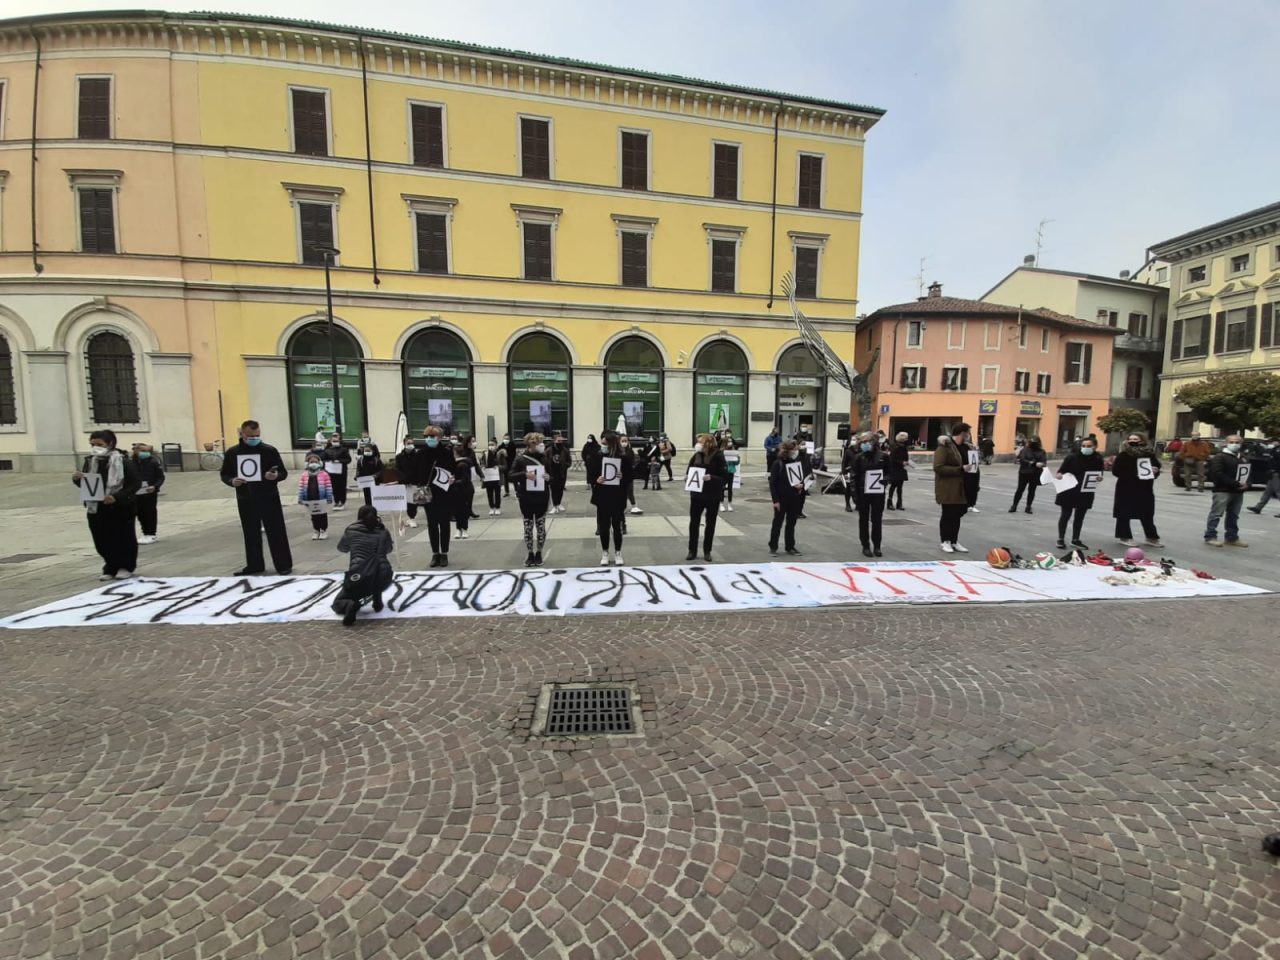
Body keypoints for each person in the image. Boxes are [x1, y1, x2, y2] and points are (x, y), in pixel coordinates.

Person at [220, 419, 292, 576]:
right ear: (243, 434)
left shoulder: (269, 450)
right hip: (246, 497)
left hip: (269, 496)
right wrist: (232, 481)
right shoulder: (233, 453)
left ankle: (283, 564)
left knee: (276, 531)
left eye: (257, 435)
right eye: (251, 435)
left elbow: (283, 472)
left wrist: (275, 476)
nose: (254, 438)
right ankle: (254, 565)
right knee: (250, 533)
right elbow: (225, 474)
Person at [72, 429, 141, 580]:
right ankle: (110, 566)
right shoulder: (91, 461)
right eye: (92, 444)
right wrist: (78, 479)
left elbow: (135, 483)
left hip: (120, 507)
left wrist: (116, 497)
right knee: (101, 538)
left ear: (110, 444)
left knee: (123, 537)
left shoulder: (122, 461)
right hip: (96, 506)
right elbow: (88, 483)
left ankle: (125, 566)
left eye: (99, 444)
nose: (95, 447)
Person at [334, 505, 395, 627]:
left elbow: (342, 548)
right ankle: (377, 598)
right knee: (376, 569)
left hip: (360, 576)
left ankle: (350, 604)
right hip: (384, 575)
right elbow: (389, 549)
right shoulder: (383, 531)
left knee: (339, 602)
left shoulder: (351, 530)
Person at [1111, 432, 1163, 548]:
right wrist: (1133, 473)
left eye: (1136, 439)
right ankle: (1124, 536)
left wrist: (1155, 471)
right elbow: (1116, 471)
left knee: (1147, 513)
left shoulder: (1149, 455)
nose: (1133, 441)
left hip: (1145, 487)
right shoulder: (1124, 455)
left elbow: (1157, 467)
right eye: (1131, 439)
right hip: (1126, 487)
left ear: (1143, 441)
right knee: (1124, 513)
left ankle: (1151, 537)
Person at [414, 425, 456, 567]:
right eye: (427, 436)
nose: (429, 439)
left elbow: (454, 470)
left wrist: (453, 478)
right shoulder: (420, 454)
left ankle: (444, 553)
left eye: (432, 436)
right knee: (432, 524)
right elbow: (414, 473)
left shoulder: (446, 453)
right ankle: (435, 553)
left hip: (443, 492)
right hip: (428, 493)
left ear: (439, 437)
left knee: (444, 523)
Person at [588, 430, 632, 565]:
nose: (603, 446)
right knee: (604, 526)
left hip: (617, 496)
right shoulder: (597, 456)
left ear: (612, 444)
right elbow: (591, 475)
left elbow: (631, 475)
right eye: (602, 443)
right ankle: (605, 552)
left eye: (606, 444)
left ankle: (618, 552)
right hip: (602, 495)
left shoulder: (622, 458)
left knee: (617, 526)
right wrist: (597, 480)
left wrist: (622, 476)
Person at [1053, 437, 1104, 550]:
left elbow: (1099, 473)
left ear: (1095, 447)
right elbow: (1061, 470)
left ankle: (1075, 539)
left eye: (1089, 446)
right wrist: (1059, 475)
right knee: (1065, 515)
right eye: (1084, 446)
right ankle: (1060, 539)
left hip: (1085, 490)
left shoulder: (1097, 458)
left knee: (1079, 517)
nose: (1086, 448)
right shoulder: (1072, 457)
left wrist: (1099, 478)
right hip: (1069, 489)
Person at [509, 432, 551, 566]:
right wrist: (524, 475)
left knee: (540, 527)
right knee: (528, 527)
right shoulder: (520, 459)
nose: (538, 444)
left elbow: (553, 476)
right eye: (534, 442)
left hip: (541, 497)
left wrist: (549, 478)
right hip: (526, 497)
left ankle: (539, 552)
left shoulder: (545, 458)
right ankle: (530, 553)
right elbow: (511, 475)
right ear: (528, 444)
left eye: (539, 442)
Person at [686, 433, 727, 561]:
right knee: (694, 523)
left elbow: (724, 477)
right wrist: (688, 477)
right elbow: (689, 470)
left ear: (709, 443)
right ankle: (692, 550)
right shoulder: (696, 455)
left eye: (701, 442)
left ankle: (707, 550)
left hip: (712, 495)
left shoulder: (719, 456)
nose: (698, 444)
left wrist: (711, 478)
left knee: (710, 524)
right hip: (697, 494)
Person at [1204, 435, 1249, 548]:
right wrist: (1235, 483)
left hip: (1238, 492)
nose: (1234, 444)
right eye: (1232, 442)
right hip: (1222, 490)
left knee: (1233, 515)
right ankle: (1210, 536)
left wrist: (1248, 484)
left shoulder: (1242, 457)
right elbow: (1217, 473)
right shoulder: (1220, 457)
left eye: (1237, 442)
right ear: (1226, 443)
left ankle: (1232, 537)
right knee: (1216, 514)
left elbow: (1247, 472)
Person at [933, 424, 970, 554]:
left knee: (957, 515)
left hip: (962, 487)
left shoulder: (965, 448)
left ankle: (954, 540)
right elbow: (938, 467)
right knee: (948, 514)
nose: (968, 436)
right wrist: (959, 469)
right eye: (967, 433)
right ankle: (945, 541)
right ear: (961, 433)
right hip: (948, 487)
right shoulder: (945, 447)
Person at [768, 439, 809, 556]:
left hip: (794, 497)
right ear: (788, 450)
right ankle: (773, 546)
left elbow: (800, 479)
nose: (796, 451)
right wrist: (775, 500)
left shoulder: (795, 463)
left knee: (791, 523)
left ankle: (790, 546)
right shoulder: (778, 463)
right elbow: (773, 483)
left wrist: (801, 485)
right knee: (777, 523)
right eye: (794, 449)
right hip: (781, 498)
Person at [850, 431, 888, 558]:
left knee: (877, 520)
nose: (864, 444)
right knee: (863, 520)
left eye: (867, 442)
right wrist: (854, 494)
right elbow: (853, 476)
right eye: (863, 442)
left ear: (874, 443)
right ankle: (865, 545)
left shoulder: (883, 456)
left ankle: (877, 545)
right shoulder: (859, 457)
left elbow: (889, 472)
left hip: (877, 493)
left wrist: (886, 479)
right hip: (863, 492)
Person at [132, 442, 165, 544]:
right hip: (135, 492)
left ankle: (151, 533)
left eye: (147, 451)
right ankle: (145, 533)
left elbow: (160, 477)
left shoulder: (153, 462)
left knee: (149, 512)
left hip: (149, 491)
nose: (145, 453)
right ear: (135, 451)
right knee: (139, 512)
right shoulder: (130, 463)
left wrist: (155, 486)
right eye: (142, 451)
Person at [298, 451, 334, 540]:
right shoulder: (304, 475)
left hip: (321, 498)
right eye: (311, 462)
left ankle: (323, 530)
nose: (313, 464)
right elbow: (301, 487)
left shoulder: (324, 474)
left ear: (320, 463)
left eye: (315, 462)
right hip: (310, 498)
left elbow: (328, 486)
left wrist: (329, 497)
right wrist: (300, 498)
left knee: (322, 515)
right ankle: (316, 530)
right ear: (307, 464)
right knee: (313, 516)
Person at [1010, 435, 1047, 514]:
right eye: (1032, 442)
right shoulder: (1025, 450)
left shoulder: (1041, 451)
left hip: (1035, 474)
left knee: (1032, 490)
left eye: (1035, 443)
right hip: (1024, 473)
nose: (1033, 444)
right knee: (1020, 490)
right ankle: (1014, 505)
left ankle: (1028, 506)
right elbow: (1022, 459)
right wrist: (1034, 463)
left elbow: (1044, 462)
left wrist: (1042, 464)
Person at [451, 434, 478, 540]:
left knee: (463, 510)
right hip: (460, 490)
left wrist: (454, 482)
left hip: (464, 490)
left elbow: (465, 479)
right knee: (459, 510)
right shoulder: (459, 463)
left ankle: (464, 529)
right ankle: (459, 529)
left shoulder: (463, 464)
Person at [1246, 438, 1280, 516]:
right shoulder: (1275, 449)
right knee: (1267, 492)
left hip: (1277, 473)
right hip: (1271, 473)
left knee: (1278, 492)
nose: (1273, 443)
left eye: (1275, 441)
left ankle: (1258, 507)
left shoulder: (1278, 451)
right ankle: (1258, 507)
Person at [394, 436, 420, 528]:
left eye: (412, 443)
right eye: (408, 443)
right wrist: (404, 479)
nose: (410, 445)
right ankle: (406, 518)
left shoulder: (417, 456)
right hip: (404, 482)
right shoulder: (399, 457)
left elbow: (419, 469)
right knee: (404, 501)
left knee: (413, 501)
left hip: (414, 482)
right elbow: (397, 469)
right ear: (404, 444)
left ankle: (412, 518)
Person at [323, 432, 351, 510]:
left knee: (341, 486)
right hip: (331, 471)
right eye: (333, 441)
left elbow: (348, 459)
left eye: (336, 441)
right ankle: (336, 501)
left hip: (341, 471)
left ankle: (342, 501)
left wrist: (339, 461)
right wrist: (328, 462)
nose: (335, 442)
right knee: (334, 486)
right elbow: (323, 459)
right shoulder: (327, 450)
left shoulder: (343, 449)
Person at [957, 428, 981, 514]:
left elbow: (975, 457)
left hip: (973, 470)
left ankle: (971, 505)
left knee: (974, 488)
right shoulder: (959, 446)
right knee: (965, 488)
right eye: (967, 434)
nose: (968, 436)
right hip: (965, 470)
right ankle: (964, 504)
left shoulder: (970, 446)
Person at [547, 433, 573, 513]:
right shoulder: (549, 450)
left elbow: (569, 461)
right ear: (554, 440)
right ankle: (555, 505)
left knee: (560, 489)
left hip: (562, 473)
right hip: (552, 473)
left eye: (561, 440)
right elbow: (544, 459)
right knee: (554, 489)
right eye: (558, 440)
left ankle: (559, 503)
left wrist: (566, 466)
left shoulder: (565, 450)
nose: (560, 442)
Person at [886, 432, 910, 511]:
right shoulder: (895, 447)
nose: (907, 439)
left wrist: (906, 462)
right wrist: (901, 462)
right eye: (906, 438)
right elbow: (892, 459)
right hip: (895, 468)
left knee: (900, 487)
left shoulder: (904, 447)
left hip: (901, 469)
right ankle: (889, 502)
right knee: (893, 486)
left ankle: (899, 503)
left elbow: (905, 456)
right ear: (902, 439)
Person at [483, 438, 506, 516]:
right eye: (489, 444)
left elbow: (505, 466)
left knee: (497, 493)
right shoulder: (485, 454)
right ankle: (491, 507)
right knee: (489, 493)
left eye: (492, 444)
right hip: (488, 477)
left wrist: (498, 467)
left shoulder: (500, 454)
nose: (491, 446)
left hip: (497, 477)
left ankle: (497, 507)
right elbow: (482, 464)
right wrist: (483, 467)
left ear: (496, 445)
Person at [355, 442, 383, 507]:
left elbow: (381, 470)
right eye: (366, 451)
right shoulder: (361, 460)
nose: (367, 452)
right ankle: (368, 510)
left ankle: (375, 510)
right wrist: (357, 476)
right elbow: (358, 470)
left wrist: (375, 475)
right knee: (367, 497)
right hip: (365, 482)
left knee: (375, 498)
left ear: (372, 451)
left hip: (375, 482)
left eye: (368, 451)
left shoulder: (376, 459)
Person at [621, 434, 642, 515]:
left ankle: (634, 506)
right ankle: (621, 507)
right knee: (621, 492)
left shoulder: (630, 451)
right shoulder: (617, 451)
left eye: (625, 441)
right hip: (620, 475)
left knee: (630, 491)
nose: (624, 442)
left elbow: (633, 460)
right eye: (622, 441)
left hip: (629, 474)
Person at [840, 438, 859, 513]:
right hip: (849, 471)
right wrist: (844, 472)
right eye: (852, 439)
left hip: (858, 472)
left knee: (858, 488)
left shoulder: (860, 450)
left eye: (855, 439)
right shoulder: (848, 451)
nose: (854, 441)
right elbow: (844, 462)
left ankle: (857, 504)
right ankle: (847, 504)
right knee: (848, 488)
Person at [720, 437, 739, 513]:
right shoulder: (721, 451)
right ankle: (721, 504)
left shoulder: (733, 451)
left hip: (731, 471)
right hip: (723, 471)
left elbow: (736, 463)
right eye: (729, 441)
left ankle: (729, 504)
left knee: (730, 488)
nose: (730, 443)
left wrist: (737, 458)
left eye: (731, 441)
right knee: (722, 488)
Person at [500, 433, 518, 498]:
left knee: (514, 478)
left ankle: (516, 491)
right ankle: (507, 492)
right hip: (505, 464)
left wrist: (506, 452)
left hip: (512, 464)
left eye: (507, 439)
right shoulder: (501, 446)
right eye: (505, 438)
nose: (506, 440)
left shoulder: (512, 445)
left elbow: (513, 454)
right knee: (505, 478)